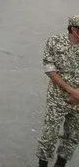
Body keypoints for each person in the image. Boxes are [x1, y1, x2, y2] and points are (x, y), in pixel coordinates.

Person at [37, 15, 79, 167]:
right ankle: (42, 164)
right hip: (57, 97)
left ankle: (60, 164)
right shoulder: (55, 41)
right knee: (49, 134)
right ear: (73, 29)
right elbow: (49, 69)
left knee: (73, 136)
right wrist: (71, 91)